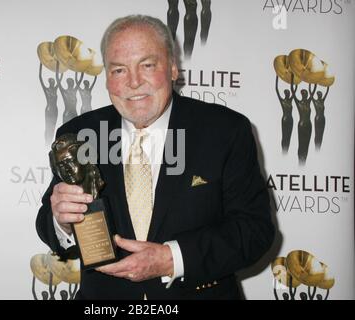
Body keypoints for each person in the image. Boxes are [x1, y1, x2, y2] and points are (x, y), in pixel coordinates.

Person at [36, 15, 275, 299]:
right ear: (107, 77)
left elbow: (254, 230)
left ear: (173, 67)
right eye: (119, 70)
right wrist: (61, 220)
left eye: (147, 65)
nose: (134, 82)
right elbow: (48, 226)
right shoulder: (79, 134)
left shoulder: (224, 131)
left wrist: (172, 258)